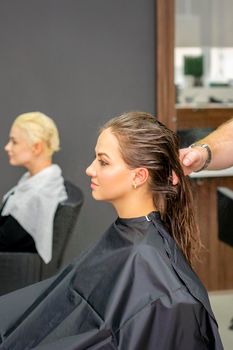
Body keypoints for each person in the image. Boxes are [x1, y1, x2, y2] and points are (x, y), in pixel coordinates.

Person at [0, 112, 223, 349]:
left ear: (139, 176)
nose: (89, 169)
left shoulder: (166, 290)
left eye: (103, 161)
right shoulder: (128, 235)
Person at [0, 112, 67, 263]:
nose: (7, 147)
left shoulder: (38, 194)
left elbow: (4, 240)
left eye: (14, 142)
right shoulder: (36, 181)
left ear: (36, 147)